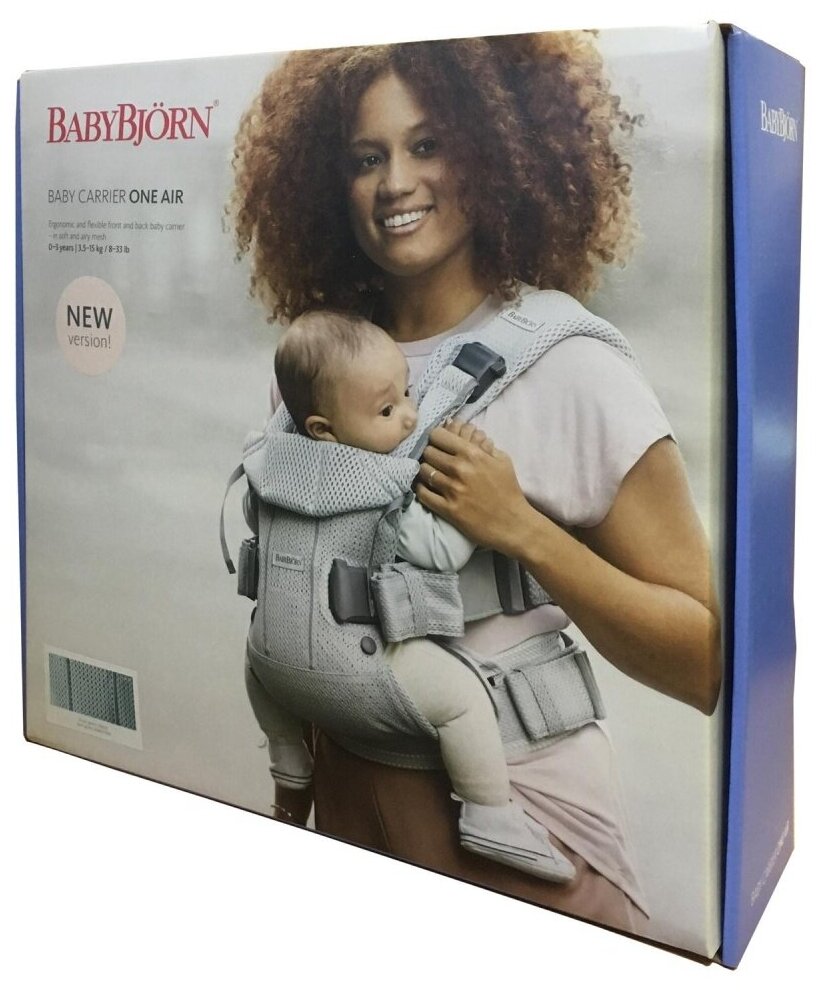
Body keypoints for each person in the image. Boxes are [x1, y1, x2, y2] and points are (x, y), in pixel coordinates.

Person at [230, 33, 722, 933]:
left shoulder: (572, 367)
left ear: (495, 153)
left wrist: (523, 530)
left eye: (427, 144)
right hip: (344, 809)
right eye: (365, 158)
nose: (395, 184)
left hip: (528, 825)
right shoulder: (315, 372)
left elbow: (703, 663)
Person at [258, 307, 575, 882]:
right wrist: (476, 508)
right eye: (386, 410)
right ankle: (489, 814)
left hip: (272, 667)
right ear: (323, 429)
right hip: (355, 663)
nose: (409, 416)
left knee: (258, 656)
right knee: (462, 699)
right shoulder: (381, 482)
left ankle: (287, 756)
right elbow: (440, 553)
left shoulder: (271, 462)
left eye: (407, 393)